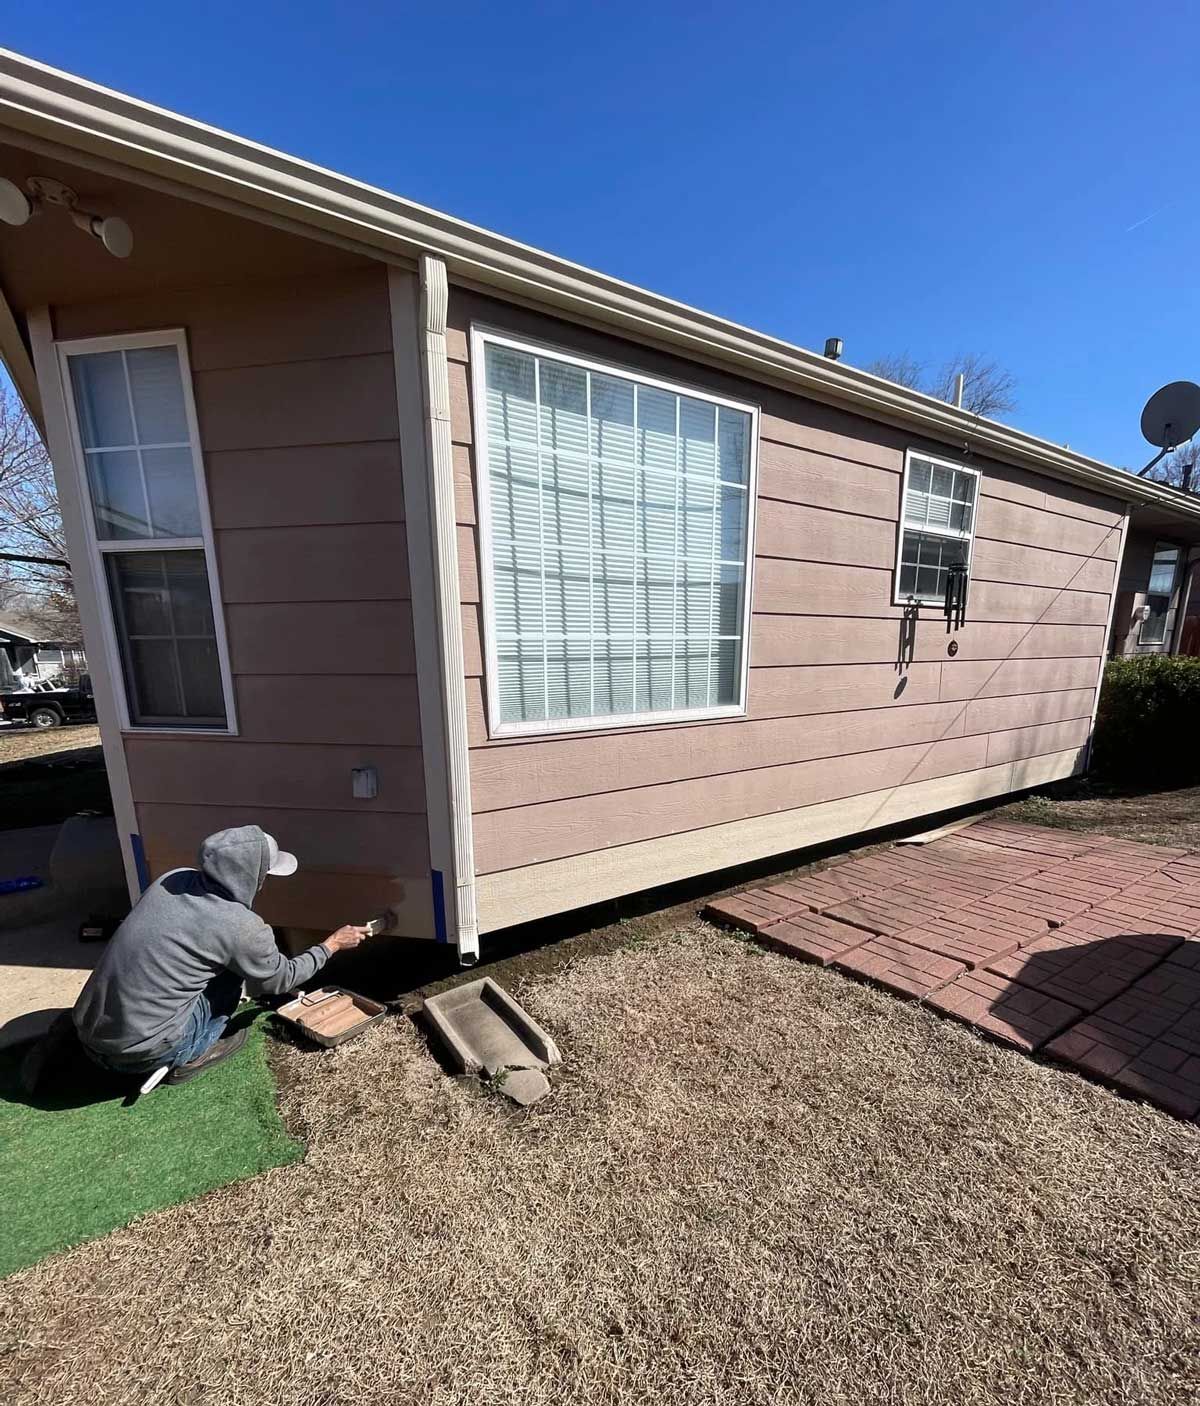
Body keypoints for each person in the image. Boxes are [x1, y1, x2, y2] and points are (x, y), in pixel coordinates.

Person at [70, 825, 368, 1084]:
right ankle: (188, 1056)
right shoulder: (240, 926)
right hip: (139, 1054)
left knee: (217, 967)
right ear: (250, 875)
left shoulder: (171, 880)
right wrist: (332, 945)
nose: (265, 881)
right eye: (265, 873)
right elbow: (280, 979)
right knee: (228, 983)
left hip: (86, 1031)